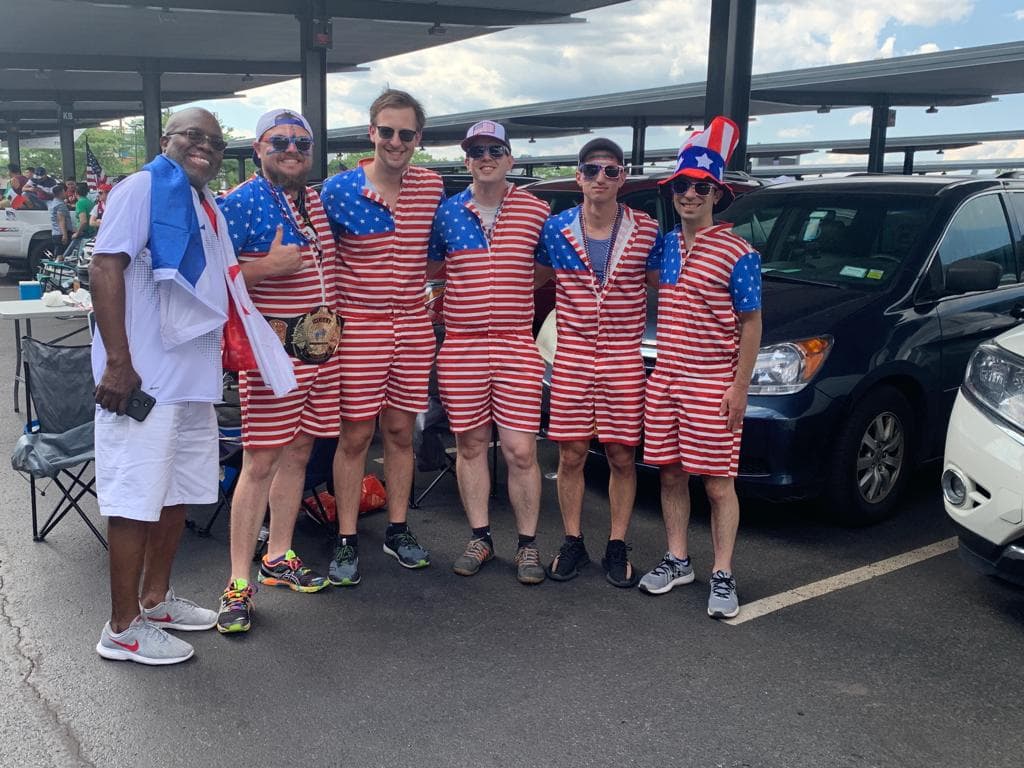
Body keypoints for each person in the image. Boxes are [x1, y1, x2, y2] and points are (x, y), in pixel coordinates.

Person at [90, 107, 269, 665]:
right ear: (167, 139)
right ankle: (121, 628)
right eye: (195, 136)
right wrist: (118, 362)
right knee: (136, 498)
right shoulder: (142, 188)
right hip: (144, 380)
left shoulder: (204, 203)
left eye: (216, 142)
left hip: (191, 380)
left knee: (175, 495)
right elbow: (104, 267)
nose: (207, 148)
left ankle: (156, 599)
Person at [215, 108, 342, 633]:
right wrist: (266, 268)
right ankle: (237, 586)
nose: (292, 151)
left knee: (299, 454)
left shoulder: (313, 198)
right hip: (274, 356)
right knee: (260, 463)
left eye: (302, 144)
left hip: (324, 351)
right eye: (280, 142)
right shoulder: (239, 202)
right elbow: (208, 276)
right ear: (258, 147)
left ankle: (279, 557)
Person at [638, 117, 763, 620]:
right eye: (682, 187)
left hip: (713, 383)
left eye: (700, 187)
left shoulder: (740, 252)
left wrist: (740, 387)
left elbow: (751, 325)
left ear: (717, 194)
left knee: (716, 483)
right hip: (665, 377)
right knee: (669, 474)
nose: (689, 195)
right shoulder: (667, 246)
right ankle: (678, 559)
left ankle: (724, 572)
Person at [320, 89, 444, 585]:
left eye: (406, 133)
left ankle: (398, 528)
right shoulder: (337, 190)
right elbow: (320, 261)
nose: (396, 141)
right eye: (387, 131)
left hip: (413, 326)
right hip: (361, 327)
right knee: (354, 434)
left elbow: (437, 253)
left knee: (400, 431)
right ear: (372, 133)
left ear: (419, 138)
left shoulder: (431, 187)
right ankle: (346, 538)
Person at [535, 138, 662, 588]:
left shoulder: (646, 229)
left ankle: (617, 543)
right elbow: (525, 281)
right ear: (579, 176)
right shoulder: (556, 229)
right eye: (592, 170)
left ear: (623, 177)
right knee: (570, 453)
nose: (601, 179)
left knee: (621, 455)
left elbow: (674, 288)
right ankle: (573, 540)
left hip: (623, 357)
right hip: (571, 357)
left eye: (610, 171)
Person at [427, 120, 550, 584]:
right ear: (466, 160)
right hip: (461, 344)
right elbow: (434, 267)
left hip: (516, 342)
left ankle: (528, 545)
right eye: (476, 150)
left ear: (510, 159)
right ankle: (480, 537)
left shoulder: (536, 211)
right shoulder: (447, 213)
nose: (485, 157)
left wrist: (505, 294)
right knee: (470, 444)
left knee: (520, 449)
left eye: (495, 149)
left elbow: (542, 270)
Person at [66, 181, 95, 260]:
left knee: (68, 256)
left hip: (83, 234)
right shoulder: (90, 202)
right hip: (91, 233)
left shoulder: (80, 203)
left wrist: (77, 233)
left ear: (76, 193)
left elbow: (83, 221)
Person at [47, 183, 72, 258]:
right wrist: (65, 235)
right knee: (61, 256)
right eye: (64, 191)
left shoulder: (52, 203)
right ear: (61, 193)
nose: (66, 193)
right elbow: (61, 220)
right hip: (61, 234)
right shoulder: (60, 205)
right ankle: (57, 268)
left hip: (55, 232)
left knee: (58, 253)